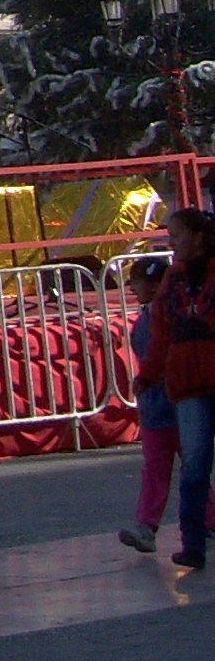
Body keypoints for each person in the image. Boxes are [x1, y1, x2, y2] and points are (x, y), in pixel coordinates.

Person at [148, 208, 215, 569]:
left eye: (176, 234)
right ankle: (193, 543)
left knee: (196, 464)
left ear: (199, 236)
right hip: (188, 386)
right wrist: (148, 373)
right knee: (194, 465)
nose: (171, 242)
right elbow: (160, 333)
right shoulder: (172, 280)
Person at [121, 255, 176, 554]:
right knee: (175, 468)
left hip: (167, 401)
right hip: (161, 404)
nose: (132, 289)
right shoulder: (150, 318)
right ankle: (147, 525)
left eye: (137, 283)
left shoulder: (161, 319)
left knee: (172, 468)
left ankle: (147, 526)